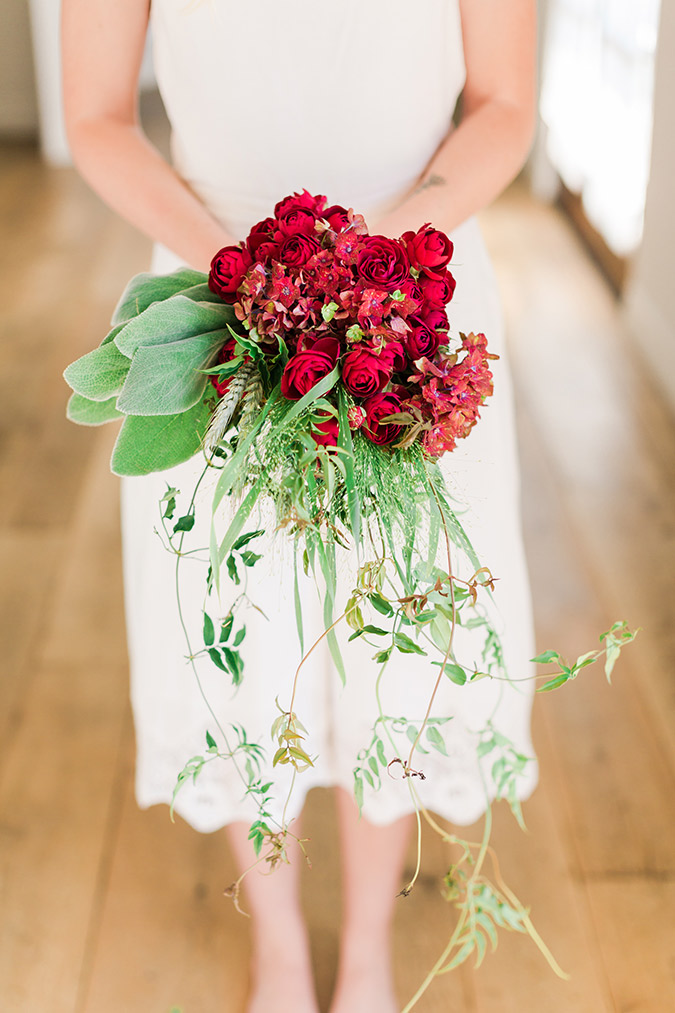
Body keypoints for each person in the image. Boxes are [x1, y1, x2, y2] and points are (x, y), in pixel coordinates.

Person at [62, 2, 538, 1011]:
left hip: (412, 293)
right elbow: (96, 115)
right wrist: (254, 278)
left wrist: (390, 259)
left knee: (400, 621)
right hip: (218, 292)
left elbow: (504, 100)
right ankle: (278, 947)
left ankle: (365, 949)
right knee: (244, 622)